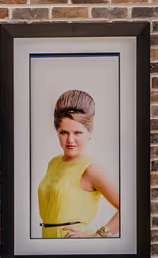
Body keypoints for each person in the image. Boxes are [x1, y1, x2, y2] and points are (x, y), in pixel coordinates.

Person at [36, 90, 120, 239]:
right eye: (64, 132)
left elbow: (130, 210)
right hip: (47, 242)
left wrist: (97, 236)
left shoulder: (91, 170)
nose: (70, 140)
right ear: (57, 132)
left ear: (89, 133)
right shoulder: (53, 163)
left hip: (75, 245)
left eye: (78, 133)